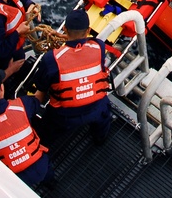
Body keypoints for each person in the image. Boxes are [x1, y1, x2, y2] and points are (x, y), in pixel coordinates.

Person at [33, 9, 112, 145]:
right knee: (104, 114)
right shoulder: (98, 47)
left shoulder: (52, 58)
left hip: (65, 115)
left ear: (64, 28)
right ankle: (100, 139)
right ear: (87, 30)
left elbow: (41, 85)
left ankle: (43, 145)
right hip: (96, 108)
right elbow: (84, 43)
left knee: (47, 128)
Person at [0, 69, 52, 188]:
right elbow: (38, 99)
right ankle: (51, 184)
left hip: (13, 180)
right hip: (40, 167)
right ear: (1, 89)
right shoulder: (22, 105)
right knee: (48, 172)